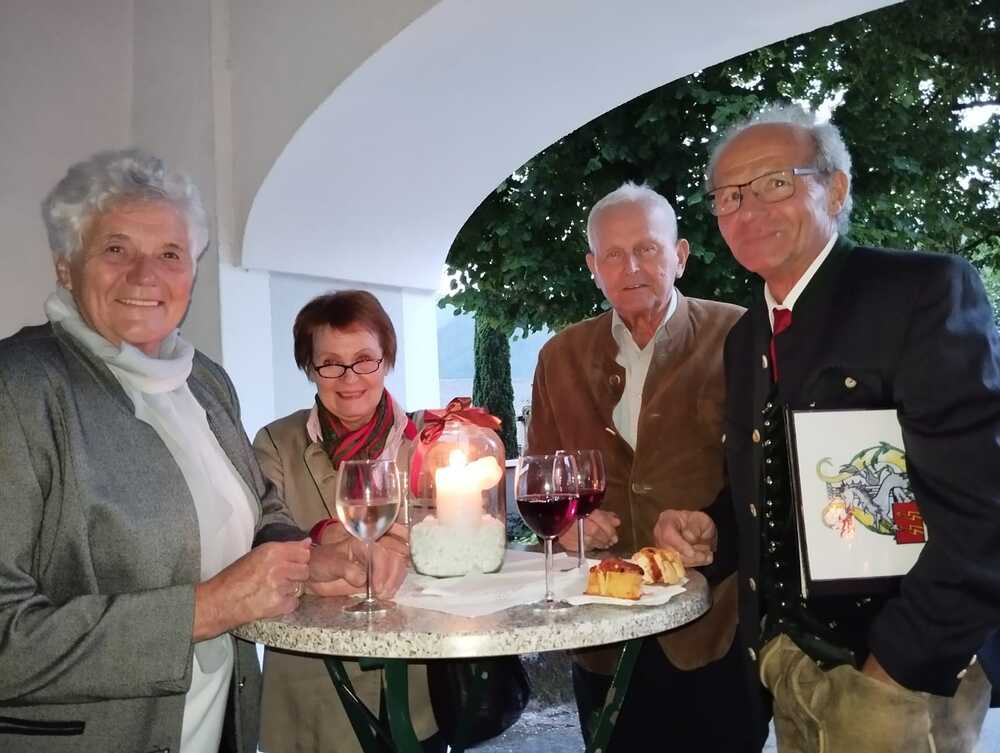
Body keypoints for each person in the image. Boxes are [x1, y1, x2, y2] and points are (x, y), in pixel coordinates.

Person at [656, 103, 999, 752]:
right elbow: (775, 484)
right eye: (729, 196)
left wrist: (895, 667)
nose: (748, 209)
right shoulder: (745, 337)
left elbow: (983, 503)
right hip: (787, 660)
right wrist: (714, 529)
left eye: (775, 183)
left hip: (899, 676)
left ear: (835, 190)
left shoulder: (920, 293)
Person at [0, 149, 365, 753]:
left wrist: (307, 558)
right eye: (116, 249)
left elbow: (263, 511)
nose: (146, 275)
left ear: (191, 272)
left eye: (170, 254)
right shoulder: (19, 389)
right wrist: (206, 609)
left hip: (216, 726)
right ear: (66, 265)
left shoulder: (205, 382)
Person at [526, 182, 764, 751]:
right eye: (613, 254)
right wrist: (566, 528)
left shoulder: (738, 336)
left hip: (715, 625)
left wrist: (716, 533)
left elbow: (770, 477)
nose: (630, 267)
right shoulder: (559, 356)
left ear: (679, 256)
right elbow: (539, 477)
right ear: (593, 267)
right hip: (602, 631)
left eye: (647, 249)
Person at [253, 290, 439, 753]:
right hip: (312, 691)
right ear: (310, 369)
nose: (350, 378)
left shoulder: (429, 442)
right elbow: (260, 538)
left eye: (364, 360)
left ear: (386, 361)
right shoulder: (275, 442)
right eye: (331, 364)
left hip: (418, 686)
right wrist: (327, 543)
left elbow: (459, 545)